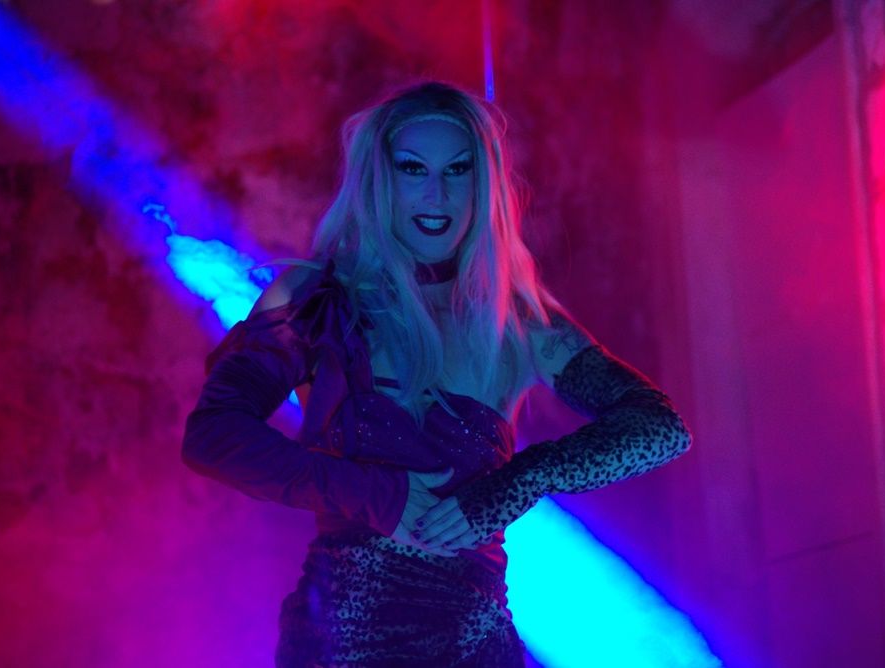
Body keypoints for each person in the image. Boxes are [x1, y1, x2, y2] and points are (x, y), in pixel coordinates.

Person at [181, 81, 692, 667]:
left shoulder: (515, 323)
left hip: (475, 647)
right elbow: (213, 434)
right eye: (412, 169)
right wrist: (376, 495)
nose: (437, 194)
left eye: (457, 170)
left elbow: (660, 428)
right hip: (339, 646)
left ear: (482, 185)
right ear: (380, 180)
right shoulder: (314, 301)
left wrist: (513, 485)